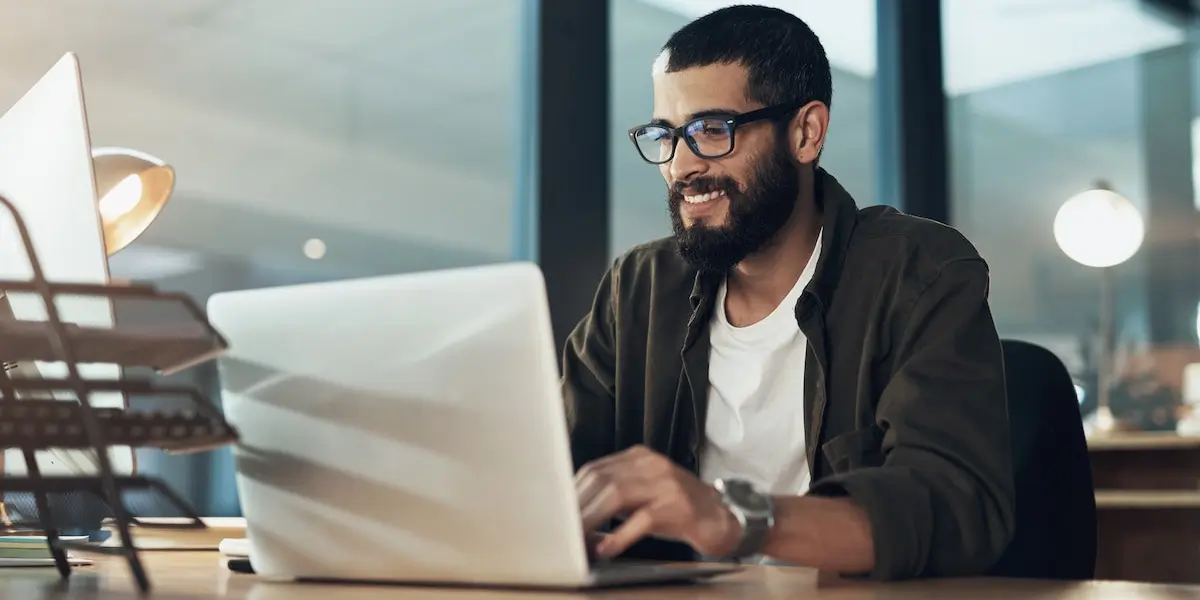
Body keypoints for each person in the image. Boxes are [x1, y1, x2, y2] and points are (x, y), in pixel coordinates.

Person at [562, 4, 1015, 581]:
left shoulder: (919, 271)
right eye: (665, 135)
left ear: (806, 132)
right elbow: (552, 468)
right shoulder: (639, 289)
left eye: (711, 130)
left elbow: (955, 506)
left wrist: (735, 518)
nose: (679, 165)